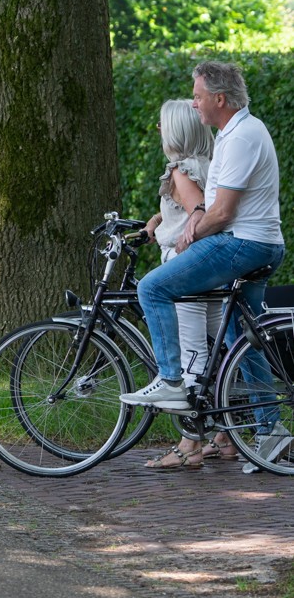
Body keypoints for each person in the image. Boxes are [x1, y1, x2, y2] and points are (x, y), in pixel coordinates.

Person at [121, 62, 285, 432]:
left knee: (152, 286)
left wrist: (191, 234)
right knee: (244, 337)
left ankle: (172, 382)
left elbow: (224, 213)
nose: (193, 104)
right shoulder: (233, 133)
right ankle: (271, 432)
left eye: (197, 97)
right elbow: (214, 205)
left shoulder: (242, 136)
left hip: (241, 244)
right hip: (257, 242)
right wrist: (197, 214)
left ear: (220, 99)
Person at [137, 99, 229, 469]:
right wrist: (159, 218)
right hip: (213, 267)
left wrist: (183, 236)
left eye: (163, 125)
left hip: (187, 266)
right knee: (218, 353)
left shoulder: (179, 169)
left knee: (193, 357)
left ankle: (189, 444)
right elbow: (191, 203)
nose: (159, 131)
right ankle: (225, 436)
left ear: (177, 131)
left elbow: (197, 211)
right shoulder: (207, 165)